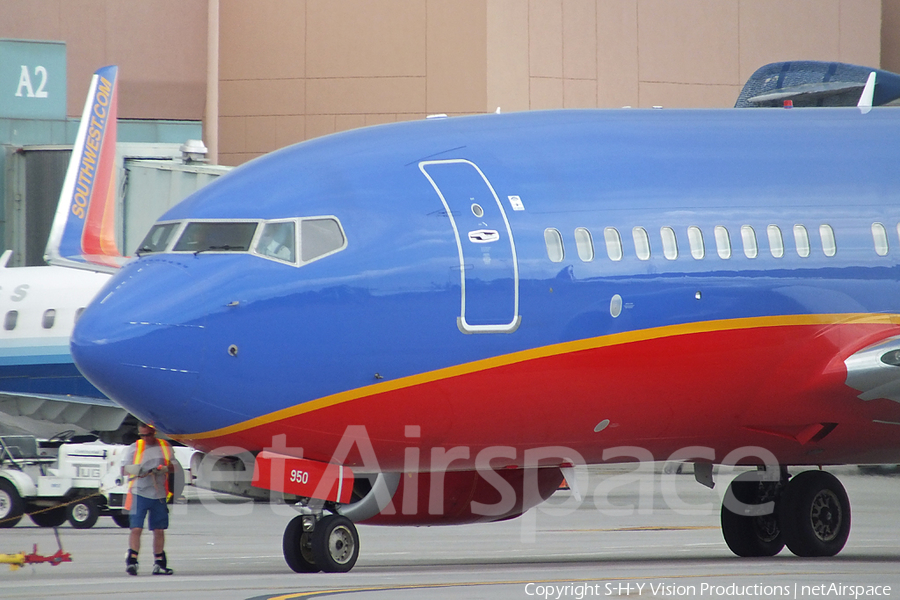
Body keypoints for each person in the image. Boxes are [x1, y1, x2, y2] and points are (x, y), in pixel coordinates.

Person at [122, 423, 175, 575]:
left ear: (154, 433)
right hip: (140, 492)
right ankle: (132, 561)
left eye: (148, 435)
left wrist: (165, 469)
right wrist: (137, 470)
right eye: (142, 435)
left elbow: (174, 466)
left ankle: (159, 562)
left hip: (159, 494)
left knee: (159, 530)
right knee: (136, 528)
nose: (145, 438)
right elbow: (124, 469)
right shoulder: (135, 447)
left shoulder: (164, 446)